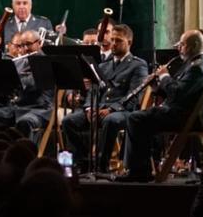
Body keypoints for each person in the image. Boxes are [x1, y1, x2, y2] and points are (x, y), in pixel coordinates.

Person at [114, 29, 203, 182]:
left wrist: (164, 75)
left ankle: (138, 171)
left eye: (182, 44)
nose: (178, 47)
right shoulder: (192, 63)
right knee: (139, 117)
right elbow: (175, 93)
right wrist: (155, 87)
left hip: (184, 117)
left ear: (194, 45)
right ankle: (139, 168)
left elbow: (177, 93)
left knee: (135, 119)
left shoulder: (197, 67)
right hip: (178, 111)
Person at [62, 24, 149, 171]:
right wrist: (90, 107)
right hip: (99, 108)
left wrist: (111, 109)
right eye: (113, 39)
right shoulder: (104, 66)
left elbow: (134, 95)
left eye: (119, 41)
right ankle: (84, 161)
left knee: (110, 120)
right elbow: (93, 91)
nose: (114, 44)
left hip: (123, 111)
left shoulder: (138, 65)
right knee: (69, 121)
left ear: (129, 42)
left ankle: (102, 164)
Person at [0, 30, 51, 143]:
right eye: (22, 45)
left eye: (28, 44)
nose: (25, 49)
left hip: (39, 109)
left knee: (24, 122)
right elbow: (10, 89)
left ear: (39, 43)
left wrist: (14, 79)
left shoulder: (46, 63)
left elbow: (30, 84)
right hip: (18, 108)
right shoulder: (19, 62)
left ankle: (24, 156)